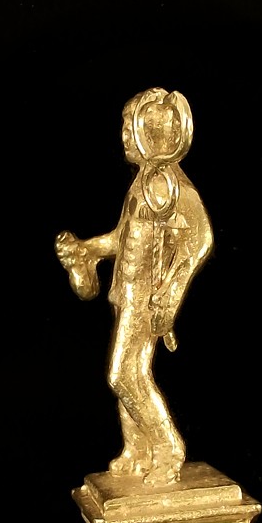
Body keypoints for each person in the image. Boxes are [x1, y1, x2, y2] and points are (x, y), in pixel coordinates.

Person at [55, 88, 213, 485]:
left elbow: (200, 239)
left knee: (123, 374)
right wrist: (88, 249)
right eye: (124, 127)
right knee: (133, 369)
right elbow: (123, 239)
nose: (124, 135)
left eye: (131, 127)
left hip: (147, 298)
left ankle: (168, 447)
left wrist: (172, 292)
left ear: (153, 134)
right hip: (126, 294)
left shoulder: (172, 189)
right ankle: (137, 449)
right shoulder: (142, 185)